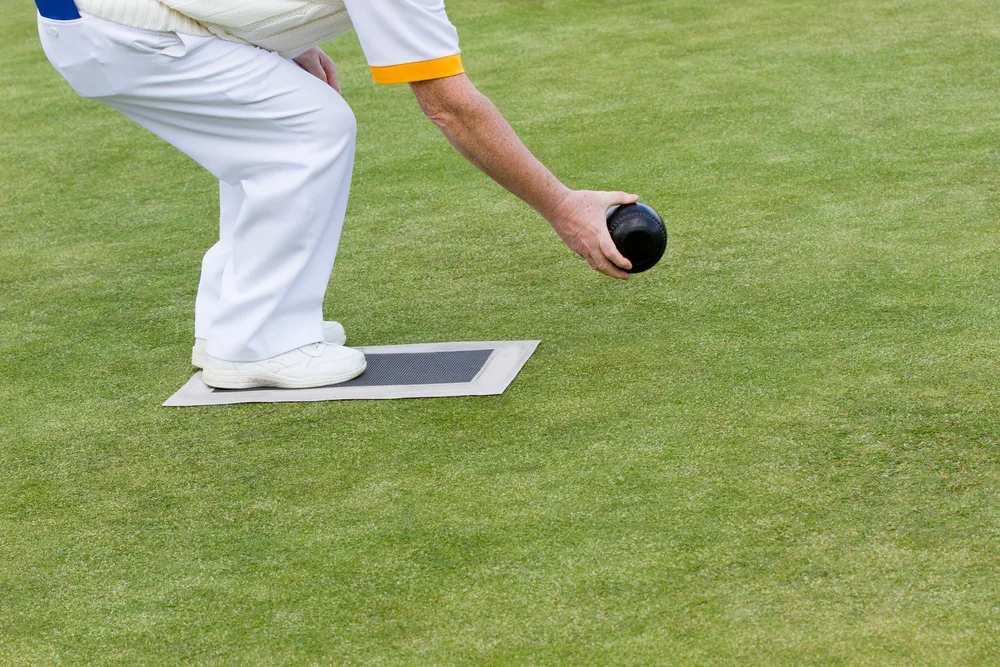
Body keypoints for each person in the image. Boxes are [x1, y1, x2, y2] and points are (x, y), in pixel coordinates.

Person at [35, 0, 639, 389]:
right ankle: (255, 343)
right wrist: (563, 206)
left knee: (274, 133)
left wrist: (285, 40)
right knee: (307, 129)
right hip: (122, 30)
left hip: (99, 16)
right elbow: (450, 108)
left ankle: (236, 323)